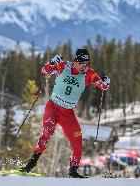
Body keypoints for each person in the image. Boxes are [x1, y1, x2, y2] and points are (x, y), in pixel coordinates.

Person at [20, 49, 110, 178]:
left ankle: (73, 171)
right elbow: (44, 71)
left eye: (88, 64)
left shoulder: (89, 74)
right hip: (53, 107)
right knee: (47, 133)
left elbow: (103, 86)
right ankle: (31, 164)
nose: (85, 66)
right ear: (76, 62)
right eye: (83, 63)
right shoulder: (63, 66)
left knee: (77, 142)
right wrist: (51, 63)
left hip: (68, 113)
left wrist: (106, 82)